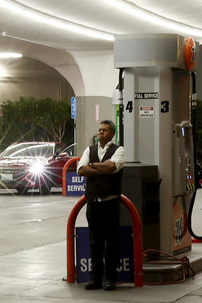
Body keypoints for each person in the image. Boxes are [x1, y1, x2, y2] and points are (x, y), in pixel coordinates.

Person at [76, 119, 127, 291]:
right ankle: (95, 279)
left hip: (111, 203)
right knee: (94, 242)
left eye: (104, 130)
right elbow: (80, 170)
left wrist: (91, 166)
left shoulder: (119, 150)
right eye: (99, 130)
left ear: (112, 133)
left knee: (111, 242)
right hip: (93, 203)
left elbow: (112, 167)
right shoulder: (89, 150)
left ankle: (111, 279)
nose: (100, 132)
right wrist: (100, 167)